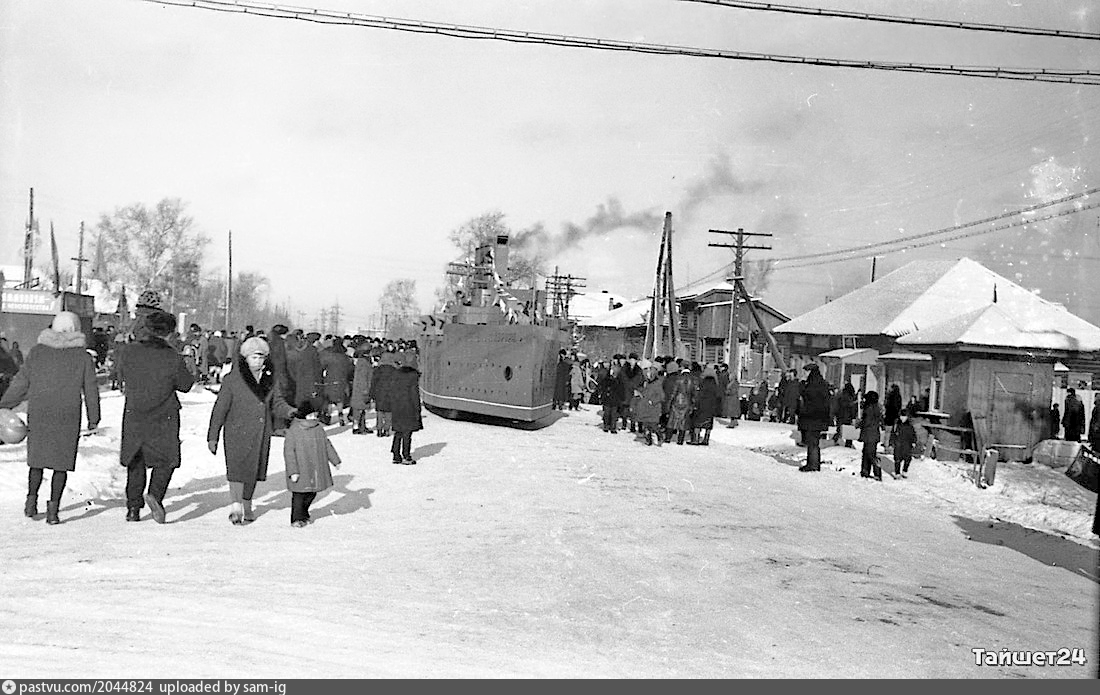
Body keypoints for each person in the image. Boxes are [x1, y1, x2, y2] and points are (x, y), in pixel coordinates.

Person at [0, 311, 100, 524]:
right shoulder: (83, 357)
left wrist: (5, 403)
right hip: (68, 415)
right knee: (60, 464)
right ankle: (53, 510)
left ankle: (31, 501)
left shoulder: (37, 352)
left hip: (40, 412)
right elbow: (91, 389)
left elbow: (21, 382)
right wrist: (94, 417)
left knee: (36, 461)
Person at [116, 310, 195, 523]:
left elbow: (120, 374)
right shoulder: (172, 357)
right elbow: (185, 385)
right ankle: (155, 494)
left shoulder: (129, 352)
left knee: (136, 460)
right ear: (169, 333)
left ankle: (133, 509)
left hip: (135, 414)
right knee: (167, 460)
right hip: (164, 415)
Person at [207, 336, 295, 525]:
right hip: (236, 431)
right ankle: (236, 506)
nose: (257, 361)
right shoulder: (232, 380)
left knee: (253, 471)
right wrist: (212, 436)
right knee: (237, 469)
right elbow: (220, 408)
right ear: (245, 358)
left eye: (261, 357)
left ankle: (247, 502)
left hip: (260, 432)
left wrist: (290, 411)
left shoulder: (271, 380)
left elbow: (277, 403)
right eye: (253, 357)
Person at [284, 397, 342, 527]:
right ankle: (296, 518)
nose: (313, 417)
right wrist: (293, 471)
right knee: (299, 494)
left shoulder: (318, 428)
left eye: (314, 415)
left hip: (315, 467)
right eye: (310, 415)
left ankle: (304, 513)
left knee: (312, 492)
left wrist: (335, 461)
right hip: (301, 468)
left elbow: (327, 445)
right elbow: (289, 453)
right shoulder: (294, 431)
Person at [388, 350, 423, 464]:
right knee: (407, 433)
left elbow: (391, 391)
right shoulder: (412, 376)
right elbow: (414, 394)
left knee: (398, 431)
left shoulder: (395, 373)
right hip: (409, 407)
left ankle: (396, 454)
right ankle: (406, 455)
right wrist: (418, 409)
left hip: (397, 406)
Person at [796, 363, 830, 472]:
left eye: (806, 371)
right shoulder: (821, 383)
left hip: (812, 417)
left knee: (812, 442)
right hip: (819, 418)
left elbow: (808, 398)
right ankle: (812, 463)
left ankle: (813, 464)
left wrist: (802, 386)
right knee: (813, 442)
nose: (804, 374)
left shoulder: (813, 384)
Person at [634, 361, 665, 446]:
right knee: (646, 424)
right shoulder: (647, 383)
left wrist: (653, 401)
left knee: (653, 425)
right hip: (646, 406)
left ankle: (660, 437)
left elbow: (661, 396)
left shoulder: (658, 384)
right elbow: (645, 393)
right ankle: (648, 439)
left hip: (653, 407)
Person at [856, 390, 885, 481]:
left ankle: (876, 472)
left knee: (870, 454)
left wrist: (859, 424)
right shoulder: (876, 407)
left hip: (869, 434)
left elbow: (867, 421)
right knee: (866, 453)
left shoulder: (869, 408)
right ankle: (865, 471)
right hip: (873, 434)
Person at [692, 366, 723, 446]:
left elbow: (699, 394)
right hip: (711, 406)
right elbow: (718, 395)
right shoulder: (715, 384)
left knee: (698, 423)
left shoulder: (703, 383)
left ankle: (696, 439)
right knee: (708, 424)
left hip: (702, 405)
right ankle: (706, 439)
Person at [598, 361, 625, 434]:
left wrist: (621, 399)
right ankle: (606, 426)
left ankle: (612, 427)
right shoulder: (607, 379)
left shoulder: (619, 381)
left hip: (615, 400)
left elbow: (621, 390)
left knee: (614, 414)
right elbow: (603, 387)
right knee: (607, 413)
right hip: (607, 398)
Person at [892, 410, 919, 478]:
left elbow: (913, 434)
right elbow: (893, 434)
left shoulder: (909, 426)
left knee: (907, 459)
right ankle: (897, 473)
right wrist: (891, 442)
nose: (902, 418)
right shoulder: (896, 425)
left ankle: (905, 471)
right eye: (901, 416)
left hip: (907, 444)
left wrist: (914, 441)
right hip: (898, 444)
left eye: (904, 416)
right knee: (897, 459)